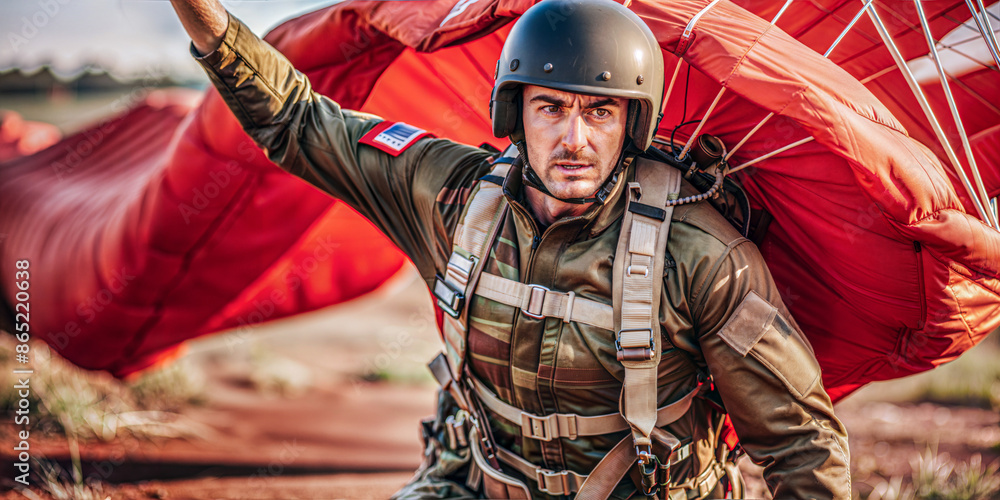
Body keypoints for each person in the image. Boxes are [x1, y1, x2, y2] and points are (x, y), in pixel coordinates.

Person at [168, 0, 851, 497]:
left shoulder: (702, 257)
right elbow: (297, 121)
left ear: (631, 123)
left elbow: (801, 444)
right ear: (514, 114)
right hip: (478, 485)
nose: (574, 139)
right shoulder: (453, 197)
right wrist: (202, 17)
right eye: (551, 107)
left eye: (599, 111)